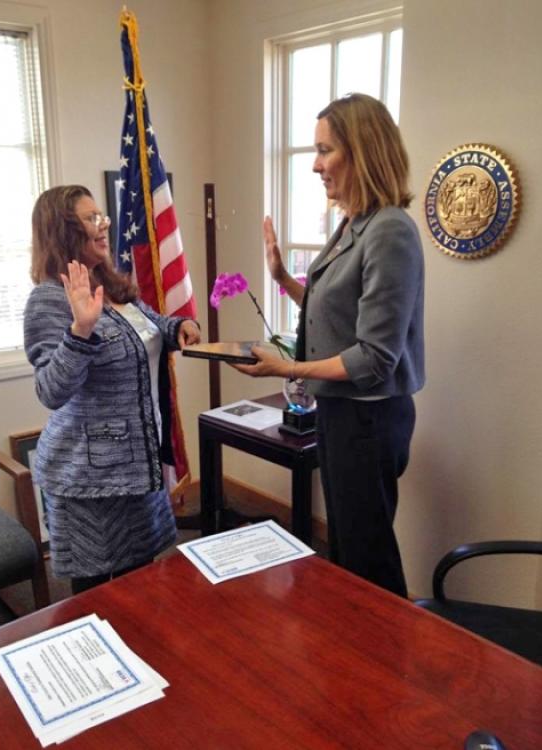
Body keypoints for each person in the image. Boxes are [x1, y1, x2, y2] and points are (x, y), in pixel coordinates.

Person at [235, 93, 424, 597]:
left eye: (326, 150)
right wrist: (281, 278)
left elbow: (375, 357)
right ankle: (355, 661)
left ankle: (387, 663)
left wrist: (286, 369)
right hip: (343, 412)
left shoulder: (389, 230)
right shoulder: (354, 223)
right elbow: (335, 310)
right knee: (345, 548)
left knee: (368, 561)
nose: (316, 165)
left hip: (370, 417)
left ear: (362, 150)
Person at [23, 185, 201, 594]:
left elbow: (147, 325)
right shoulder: (49, 301)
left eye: (101, 216)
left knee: (139, 583)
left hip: (138, 465)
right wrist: (80, 331)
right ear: (62, 231)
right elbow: (51, 390)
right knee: (98, 594)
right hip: (89, 480)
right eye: (91, 219)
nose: (103, 227)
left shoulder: (111, 285)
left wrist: (177, 328)